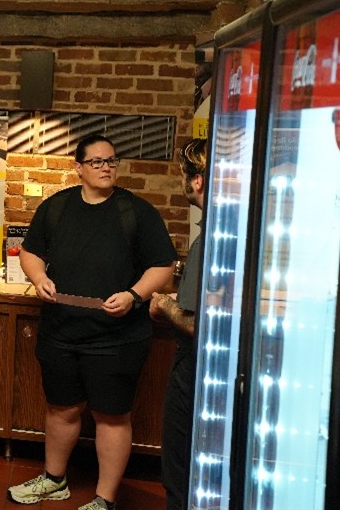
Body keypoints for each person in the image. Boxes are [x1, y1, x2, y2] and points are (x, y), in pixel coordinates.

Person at [7, 134, 176, 510]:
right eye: (97, 162)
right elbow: (30, 252)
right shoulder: (56, 208)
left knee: (112, 417)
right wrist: (38, 278)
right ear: (79, 167)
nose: (106, 168)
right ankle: (54, 480)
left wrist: (134, 295)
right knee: (61, 408)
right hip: (61, 332)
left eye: (111, 161)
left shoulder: (137, 211)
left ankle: (105, 498)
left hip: (117, 338)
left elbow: (163, 265)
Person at [149, 138, 207, 510]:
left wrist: (163, 305)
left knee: (180, 468)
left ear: (197, 180)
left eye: (184, 175)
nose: (182, 182)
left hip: (195, 367)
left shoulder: (211, 239)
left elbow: (194, 324)